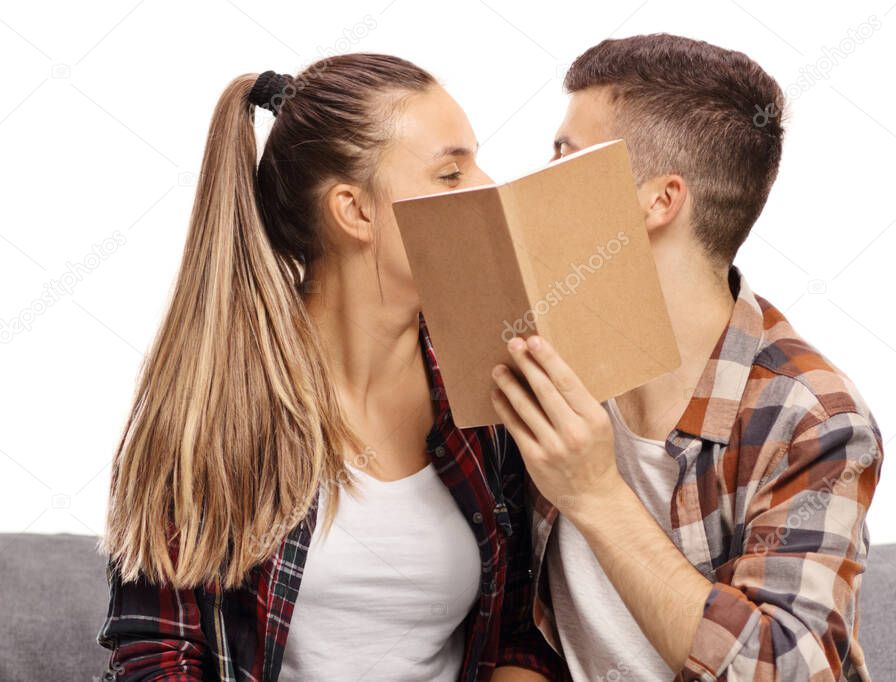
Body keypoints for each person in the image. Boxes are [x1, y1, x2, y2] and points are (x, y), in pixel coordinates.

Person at [95, 54, 564, 682]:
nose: (488, 186)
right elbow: (155, 655)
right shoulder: (211, 406)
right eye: (451, 173)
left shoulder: (490, 382)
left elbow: (520, 634)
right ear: (356, 212)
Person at [490, 34, 884, 681]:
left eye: (563, 156)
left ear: (656, 201)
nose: (528, 184)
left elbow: (780, 671)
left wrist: (594, 492)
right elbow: (516, 623)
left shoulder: (813, 418)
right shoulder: (549, 363)